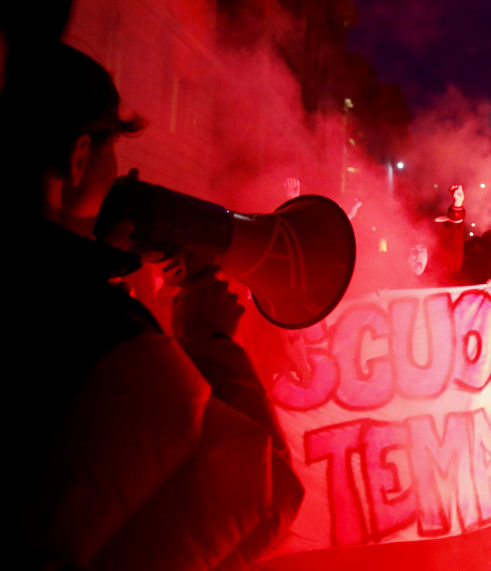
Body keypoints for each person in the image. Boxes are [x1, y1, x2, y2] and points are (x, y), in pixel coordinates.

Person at [3, 41, 303, 568]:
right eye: (113, 147)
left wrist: (99, 267)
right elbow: (266, 497)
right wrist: (210, 341)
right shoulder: (102, 331)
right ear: (79, 158)